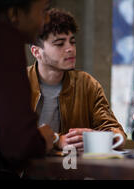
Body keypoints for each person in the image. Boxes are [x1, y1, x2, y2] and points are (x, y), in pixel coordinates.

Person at [28, 8, 126, 152]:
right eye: (60, 43)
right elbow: (10, 135)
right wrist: (57, 140)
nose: (70, 49)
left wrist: (96, 137)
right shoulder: (19, 83)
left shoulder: (86, 84)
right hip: (25, 172)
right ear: (37, 52)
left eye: (72, 42)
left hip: (71, 171)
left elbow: (118, 136)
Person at [0, 0, 55, 178]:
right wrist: (43, 139)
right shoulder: (4, 41)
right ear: (14, 14)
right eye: (43, 9)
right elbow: (19, 144)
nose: (46, 19)